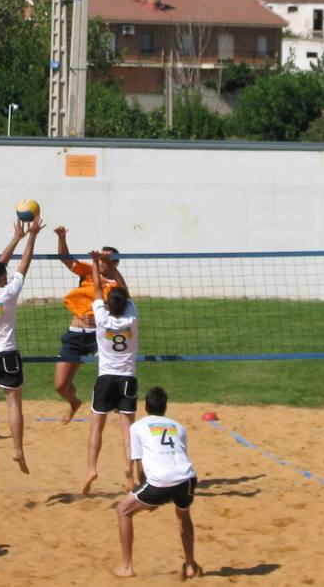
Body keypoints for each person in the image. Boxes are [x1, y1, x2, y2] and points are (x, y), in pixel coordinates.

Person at [0, 215, 45, 476]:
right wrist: (32, 236)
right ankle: (17, 450)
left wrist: (16, 237)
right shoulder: (9, 292)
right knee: (14, 405)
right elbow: (22, 265)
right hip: (7, 353)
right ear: (3, 279)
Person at [114, 386, 201, 580]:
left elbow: (140, 469)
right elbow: (180, 456)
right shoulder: (179, 427)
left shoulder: (137, 427)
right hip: (187, 478)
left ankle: (127, 567)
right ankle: (190, 564)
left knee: (123, 510)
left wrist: (149, 499)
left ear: (145, 407)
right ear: (165, 407)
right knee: (183, 515)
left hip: (161, 481)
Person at [53, 226, 127, 423]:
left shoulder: (116, 283)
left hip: (99, 335)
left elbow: (123, 303)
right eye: (102, 258)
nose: (103, 262)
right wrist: (62, 237)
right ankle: (74, 402)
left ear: (115, 263)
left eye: (109, 259)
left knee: (113, 369)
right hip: (76, 334)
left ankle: (120, 401)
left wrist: (100, 317)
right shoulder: (87, 271)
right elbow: (64, 257)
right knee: (61, 385)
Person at [83, 251, 139, 495]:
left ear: (108, 304)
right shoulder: (132, 317)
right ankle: (129, 470)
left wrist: (96, 262)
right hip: (127, 379)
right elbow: (123, 287)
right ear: (125, 303)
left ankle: (91, 469)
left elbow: (96, 287)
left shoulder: (101, 317)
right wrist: (110, 264)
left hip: (106, 378)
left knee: (97, 428)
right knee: (127, 431)